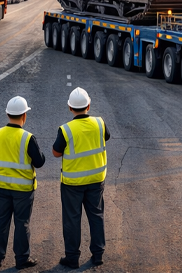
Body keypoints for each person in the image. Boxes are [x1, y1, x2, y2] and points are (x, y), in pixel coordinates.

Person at [52, 87, 110, 269]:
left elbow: (55, 152)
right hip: (96, 180)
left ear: (70, 108)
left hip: (73, 184)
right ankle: (98, 254)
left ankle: (72, 258)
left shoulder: (66, 129)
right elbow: (106, 137)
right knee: (96, 216)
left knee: (72, 220)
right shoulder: (100, 123)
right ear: (89, 105)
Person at [0, 96, 45, 270]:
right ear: (24, 116)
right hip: (23, 189)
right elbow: (39, 162)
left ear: (7, 114)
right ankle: (21, 259)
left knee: (0, 221)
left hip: (1, 187)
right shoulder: (27, 138)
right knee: (22, 223)